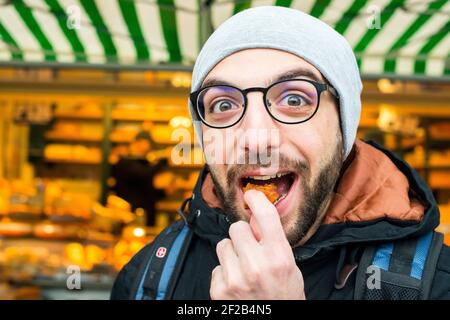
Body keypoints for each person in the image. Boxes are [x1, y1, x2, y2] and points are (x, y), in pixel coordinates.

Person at [111, 6, 450, 300]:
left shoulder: (435, 284)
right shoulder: (149, 276)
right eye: (224, 104)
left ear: (344, 127)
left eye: (294, 100)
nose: (257, 140)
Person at [110, 130, 166, 227]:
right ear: (140, 142)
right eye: (148, 144)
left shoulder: (142, 161)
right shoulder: (125, 161)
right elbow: (144, 175)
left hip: (145, 213)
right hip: (129, 214)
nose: (150, 147)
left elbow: (146, 187)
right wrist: (163, 161)